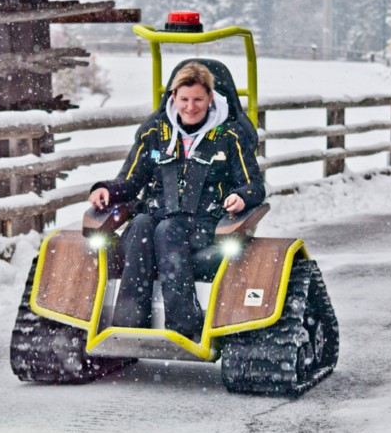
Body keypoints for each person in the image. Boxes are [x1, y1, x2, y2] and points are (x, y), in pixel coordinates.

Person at [88, 61, 265, 338]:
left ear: (210, 97)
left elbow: (254, 185)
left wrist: (241, 196)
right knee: (141, 226)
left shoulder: (230, 136)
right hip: (159, 217)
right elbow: (131, 179)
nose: (190, 107)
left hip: (206, 223)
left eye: (198, 99)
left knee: (167, 231)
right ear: (173, 97)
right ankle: (128, 324)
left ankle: (184, 328)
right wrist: (107, 190)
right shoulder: (155, 132)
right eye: (184, 99)